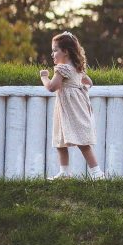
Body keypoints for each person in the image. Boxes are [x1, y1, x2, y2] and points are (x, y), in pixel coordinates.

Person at [39, 31, 105, 180]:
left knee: (79, 142)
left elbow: (51, 87)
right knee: (62, 141)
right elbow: (89, 82)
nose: (52, 54)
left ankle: (96, 173)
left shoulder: (62, 69)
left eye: (55, 50)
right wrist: (79, 89)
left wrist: (44, 77)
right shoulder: (77, 68)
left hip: (70, 109)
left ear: (66, 51)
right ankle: (68, 173)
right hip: (73, 108)